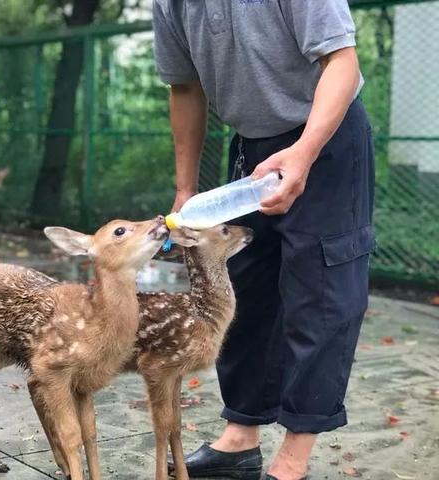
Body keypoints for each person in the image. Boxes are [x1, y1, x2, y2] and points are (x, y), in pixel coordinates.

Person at [153, 1, 376, 479]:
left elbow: (342, 59)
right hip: (251, 148)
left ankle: (292, 460)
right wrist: (185, 191)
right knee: (246, 291)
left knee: (320, 294)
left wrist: (305, 151)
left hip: (325, 137)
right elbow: (185, 85)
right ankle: (240, 439)